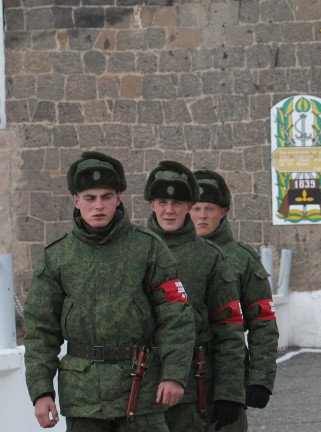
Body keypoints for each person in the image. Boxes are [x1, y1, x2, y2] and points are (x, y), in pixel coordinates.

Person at [23, 151, 195, 431]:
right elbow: (41, 329)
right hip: (83, 396)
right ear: (76, 201)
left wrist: (174, 374)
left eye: (106, 196)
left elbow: (176, 317)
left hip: (140, 389)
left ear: (119, 198)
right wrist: (41, 391)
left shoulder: (148, 248)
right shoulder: (57, 256)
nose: (98, 205)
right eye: (90, 198)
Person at [144, 161, 248, 432]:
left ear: (188, 206)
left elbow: (230, 329)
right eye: (162, 202)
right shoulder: (131, 252)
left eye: (178, 203)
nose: (169, 211)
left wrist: (229, 392)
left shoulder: (211, 257)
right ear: (151, 204)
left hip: (193, 388)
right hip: (137, 388)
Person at [190, 170, 279, 432]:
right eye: (196, 208)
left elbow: (263, 321)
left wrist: (260, 379)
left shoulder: (242, 259)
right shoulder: (164, 254)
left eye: (209, 208)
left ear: (224, 211)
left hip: (226, 378)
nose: (202, 216)